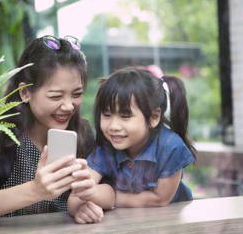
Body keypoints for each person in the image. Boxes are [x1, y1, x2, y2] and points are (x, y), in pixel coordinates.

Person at [0, 35, 104, 223]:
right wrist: (35, 190)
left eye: (77, 94)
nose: (69, 106)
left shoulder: (83, 132)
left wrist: (86, 202)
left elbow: (107, 189)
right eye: (56, 96)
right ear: (25, 92)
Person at [68, 66, 197, 223]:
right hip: (127, 225)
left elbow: (159, 199)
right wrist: (79, 208)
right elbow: (77, 194)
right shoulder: (106, 149)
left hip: (172, 222)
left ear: (154, 117)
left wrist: (109, 197)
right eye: (107, 115)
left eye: (125, 116)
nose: (113, 126)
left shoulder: (170, 146)